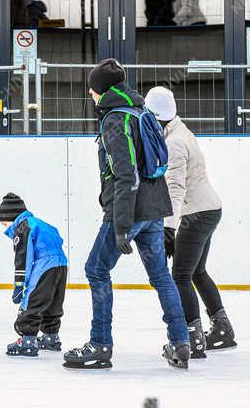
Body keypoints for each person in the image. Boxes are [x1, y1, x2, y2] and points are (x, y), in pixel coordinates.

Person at [63, 59, 189, 371]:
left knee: (95, 269)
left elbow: (126, 175)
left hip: (130, 210)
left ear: (101, 89)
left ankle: (100, 344)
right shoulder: (141, 110)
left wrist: (121, 225)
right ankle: (180, 342)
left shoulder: (115, 119)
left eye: (92, 88)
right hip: (154, 207)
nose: (90, 94)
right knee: (160, 275)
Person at [145, 86, 235, 357]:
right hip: (208, 209)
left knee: (181, 275)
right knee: (196, 272)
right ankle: (222, 329)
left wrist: (169, 228)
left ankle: (193, 338)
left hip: (195, 214)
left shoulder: (174, 143)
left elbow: (175, 188)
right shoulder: (180, 130)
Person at [0, 193, 68, 358]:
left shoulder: (23, 227)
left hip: (43, 265)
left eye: (4, 223)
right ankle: (51, 337)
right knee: (53, 301)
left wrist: (19, 285)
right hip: (61, 265)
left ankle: (28, 340)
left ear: (11, 217)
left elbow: (23, 258)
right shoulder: (43, 224)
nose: (5, 227)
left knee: (32, 299)